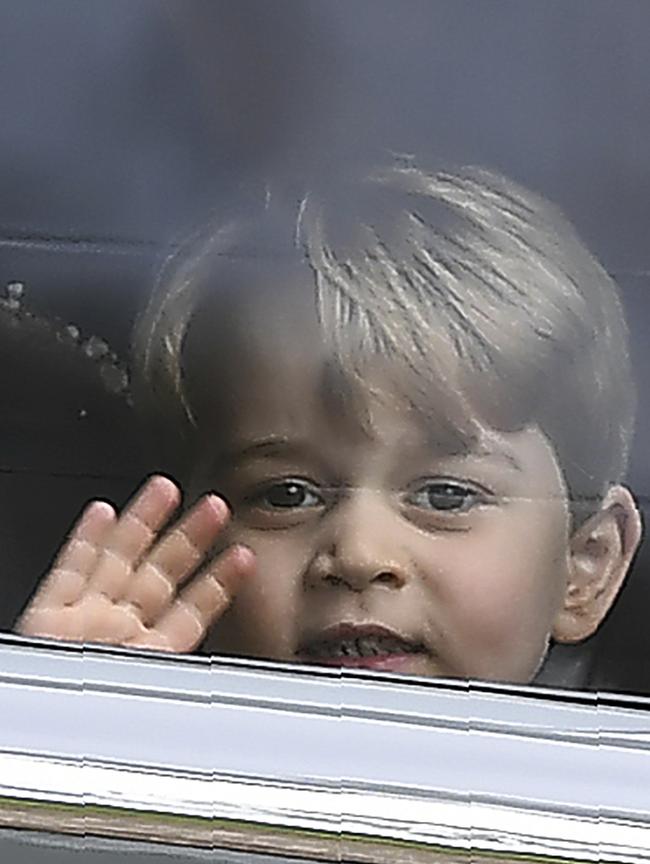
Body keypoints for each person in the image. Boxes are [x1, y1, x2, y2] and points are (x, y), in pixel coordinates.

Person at [15, 161, 642, 685]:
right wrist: (66, 720)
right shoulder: (148, 781)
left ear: (584, 566)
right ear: (183, 549)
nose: (359, 555)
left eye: (445, 495)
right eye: (287, 494)